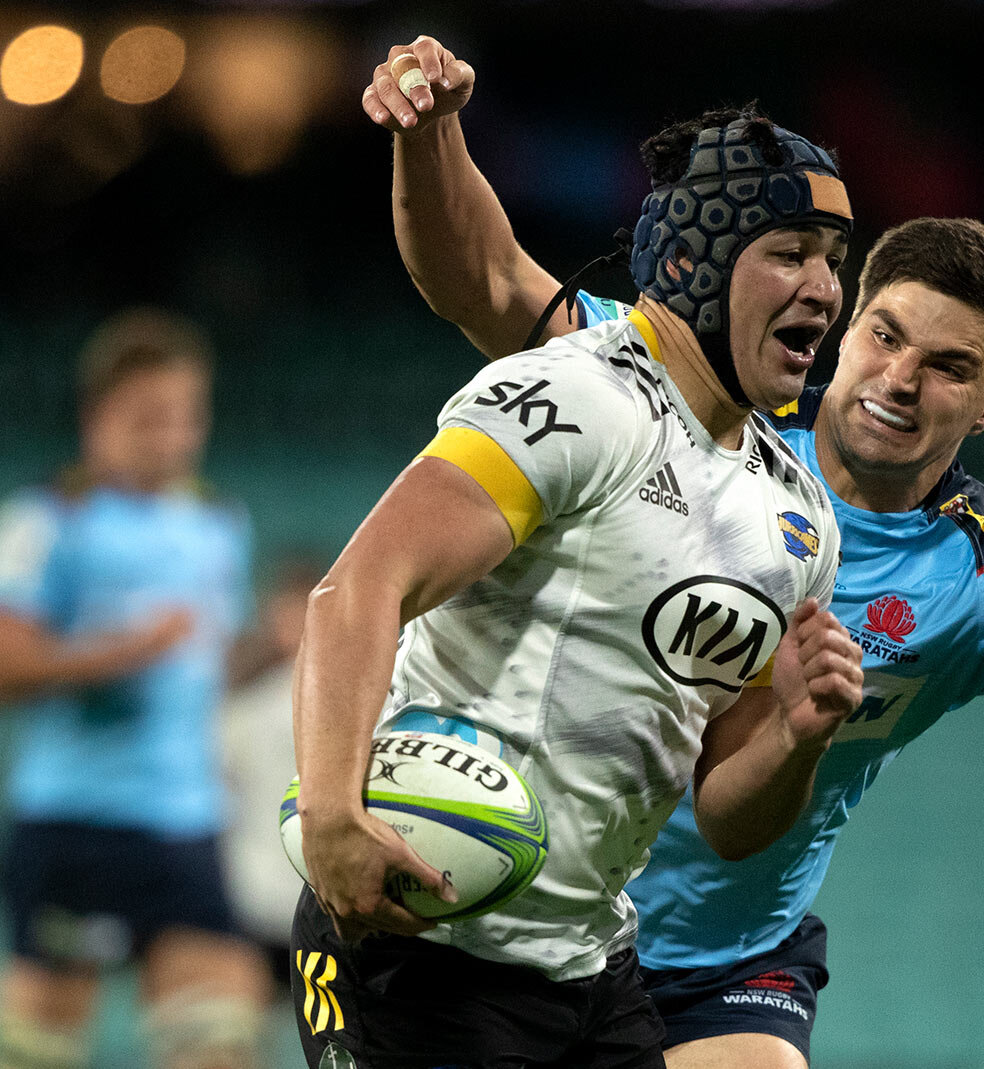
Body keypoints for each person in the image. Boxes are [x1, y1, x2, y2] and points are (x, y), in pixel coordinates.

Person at [363, 38, 984, 1069]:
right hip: (524, 923)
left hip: (723, 962)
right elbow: (479, 275)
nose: (900, 378)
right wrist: (429, 137)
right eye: (885, 336)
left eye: (950, 367)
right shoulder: (682, 391)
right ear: (846, 322)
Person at [289, 107, 867, 1069]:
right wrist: (333, 820)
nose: (824, 289)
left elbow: (728, 813)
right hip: (422, 954)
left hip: (591, 974)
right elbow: (357, 591)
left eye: (835, 260)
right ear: (693, 263)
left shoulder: (797, 517)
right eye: (791, 252)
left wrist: (797, 735)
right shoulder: (580, 396)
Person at [0, 310, 270, 1069]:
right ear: (97, 415)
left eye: (187, 417)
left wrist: (272, 650)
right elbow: (8, 664)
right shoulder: (51, 518)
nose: (173, 437)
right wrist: (121, 651)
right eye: (149, 418)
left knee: (220, 1037)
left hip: (187, 826)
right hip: (77, 822)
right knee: (38, 1051)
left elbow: (207, 665)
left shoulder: (219, 521)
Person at [218, 557, 327, 982]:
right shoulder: (243, 703)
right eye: (286, 611)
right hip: (254, 896)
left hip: (322, 897)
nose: (295, 624)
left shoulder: (372, 700)